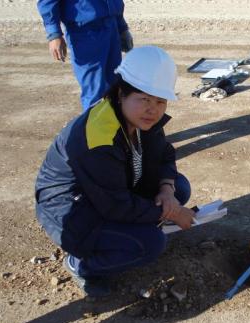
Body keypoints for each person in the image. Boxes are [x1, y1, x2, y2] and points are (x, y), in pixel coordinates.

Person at [35, 46, 195, 297]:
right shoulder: (99, 137)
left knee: (179, 187)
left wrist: (166, 191)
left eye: (160, 101)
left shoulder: (141, 119)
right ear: (121, 93)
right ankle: (81, 264)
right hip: (70, 208)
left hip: (106, 190)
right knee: (151, 243)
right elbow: (116, 206)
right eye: (144, 99)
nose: (152, 109)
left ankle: (129, 232)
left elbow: (164, 154)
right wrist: (172, 213)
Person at [37, 0, 134, 110]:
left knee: (115, 88)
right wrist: (54, 34)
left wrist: (122, 27)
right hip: (85, 31)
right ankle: (94, 125)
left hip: (111, 24)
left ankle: (114, 125)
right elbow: (47, 2)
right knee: (94, 91)